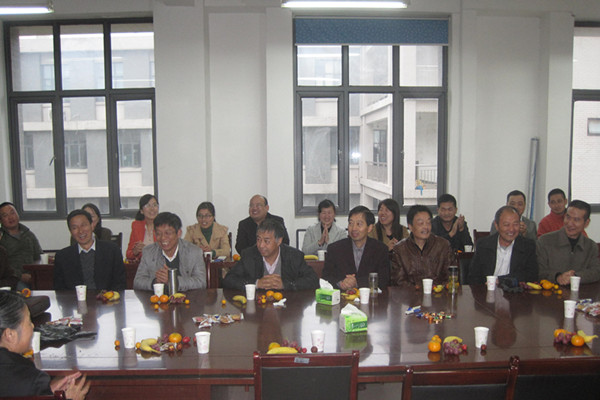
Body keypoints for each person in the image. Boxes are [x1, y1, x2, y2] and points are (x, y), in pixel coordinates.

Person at [0, 291, 89, 398]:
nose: (32, 326)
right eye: (29, 321)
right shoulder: (30, 378)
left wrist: (46, 393)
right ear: (10, 334)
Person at [223, 219, 318, 291]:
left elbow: (313, 280)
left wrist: (285, 285)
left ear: (279, 241)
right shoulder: (249, 255)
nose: (261, 245)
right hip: (257, 306)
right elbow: (229, 280)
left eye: (266, 241)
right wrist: (256, 284)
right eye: (258, 239)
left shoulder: (294, 256)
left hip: (288, 306)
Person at [54, 209, 126, 291]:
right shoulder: (62, 257)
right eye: (74, 228)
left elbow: (120, 284)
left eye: (83, 225)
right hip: (74, 299)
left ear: (92, 226)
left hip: (106, 298)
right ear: (70, 231)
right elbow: (60, 290)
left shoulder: (112, 251)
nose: (80, 231)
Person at [134, 212, 206, 291]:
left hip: (187, 297)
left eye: (167, 233)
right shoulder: (148, 252)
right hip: (159, 298)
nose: (163, 238)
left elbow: (201, 282)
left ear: (179, 233)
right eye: (158, 234)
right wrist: (155, 282)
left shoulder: (194, 252)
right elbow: (137, 282)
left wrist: (173, 280)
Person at [322, 206, 390, 290]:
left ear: (369, 228)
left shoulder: (380, 249)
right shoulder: (334, 249)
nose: (354, 228)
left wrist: (357, 282)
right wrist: (340, 283)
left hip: (370, 297)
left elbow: (384, 279)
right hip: (342, 297)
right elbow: (326, 277)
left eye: (359, 224)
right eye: (351, 223)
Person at [468, 206, 537, 284]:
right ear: (496, 226)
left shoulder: (527, 246)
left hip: (514, 290)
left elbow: (531, 276)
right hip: (486, 289)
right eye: (506, 225)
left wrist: (500, 280)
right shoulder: (484, 245)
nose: (511, 229)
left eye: (515, 224)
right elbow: (473, 276)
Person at [537, 200, 600, 285]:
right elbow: (539, 271)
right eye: (568, 217)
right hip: (551, 291)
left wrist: (574, 277)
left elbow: (596, 272)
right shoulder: (545, 241)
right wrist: (558, 277)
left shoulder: (591, 246)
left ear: (586, 223)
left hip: (581, 292)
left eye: (576, 220)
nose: (570, 223)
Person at [391, 205, 454, 287]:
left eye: (428, 223)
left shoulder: (443, 245)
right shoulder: (400, 249)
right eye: (421, 223)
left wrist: (435, 289)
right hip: (410, 294)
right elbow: (399, 281)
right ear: (410, 226)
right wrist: (418, 290)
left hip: (438, 293)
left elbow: (450, 277)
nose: (426, 227)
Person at [0, 202, 43, 290]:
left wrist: (36, 275)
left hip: (33, 276)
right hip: (13, 279)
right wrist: (20, 276)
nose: (10, 217)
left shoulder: (29, 234)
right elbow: (3, 267)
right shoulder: (1, 238)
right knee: (24, 292)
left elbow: (38, 257)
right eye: (5, 215)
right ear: (0, 220)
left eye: (12, 213)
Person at [126, 194, 158, 260]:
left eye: (155, 205)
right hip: (142, 264)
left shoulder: (163, 226)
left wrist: (146, 250)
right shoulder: (136, 226)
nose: (152, 209)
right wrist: (135, 252)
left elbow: (168, 251)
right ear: (141, 211)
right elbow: (128, 254)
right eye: (148, 205)